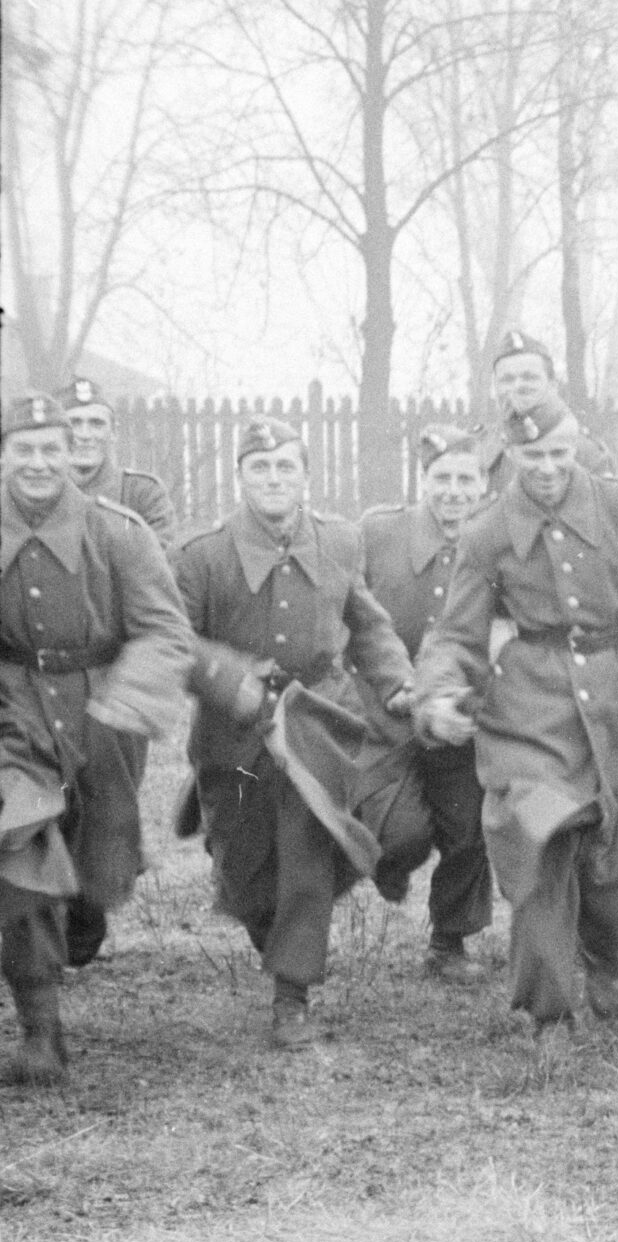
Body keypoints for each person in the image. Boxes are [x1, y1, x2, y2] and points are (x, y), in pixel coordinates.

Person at [412, 399, 618, 1042]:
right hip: (533, 712)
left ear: (576, 448)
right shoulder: (487, 530)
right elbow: (456, 635)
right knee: (538, 850)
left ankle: (602, 952)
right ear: (510, 457)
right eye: (532, 457)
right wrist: (438, 694)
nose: (547, 469)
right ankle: (548, 1010)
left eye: (558, 453)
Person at [173, 418, 415, 1046]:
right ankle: (274, 936)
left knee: (306, 852)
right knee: (244, 872)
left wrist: (396, 680)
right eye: (260, 467)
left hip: (317, 723)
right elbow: (172, 641)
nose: (274, 478)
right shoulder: (201, 555)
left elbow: (367, 624)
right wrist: (230, 680)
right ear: (240, 476)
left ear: (306, 476)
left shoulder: (340, 541)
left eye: (286, 466)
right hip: (234, 734)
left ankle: (292, 996)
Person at [1, 394, 192, 1085]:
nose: (38, 463)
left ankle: (83, 915)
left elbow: (165, 629)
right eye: (23, 449)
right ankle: (41, 1032)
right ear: (3, 456)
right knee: (17, 852)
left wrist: (128, 698)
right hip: (13, 712)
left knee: (94, 871)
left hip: (103, 715)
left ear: (72, 455)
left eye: (50, 449)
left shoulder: (118, 532)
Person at [357, 425, 496, 983]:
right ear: (423, 480)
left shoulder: (497, 539)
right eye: (442, 478)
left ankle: (449, 941)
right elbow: (350, 612)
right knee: (401, 833)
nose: (454, 492)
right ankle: (390, 860)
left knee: (469, 826)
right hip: (386, 713)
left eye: (466, 479)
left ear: (484, 484)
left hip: (461, 711)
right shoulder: (377, 532)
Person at [477, 331, 613, 497]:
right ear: (495, 388)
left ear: (552, 386)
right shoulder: (478, 448)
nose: (518, 386)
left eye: (529, 377)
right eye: (507, 379)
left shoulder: (586, 453)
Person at [56, 379, 178, 545]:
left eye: (96, 424)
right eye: (74, 424)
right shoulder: (40, 492)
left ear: (114, 432)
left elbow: (158, 553)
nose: (85, 435)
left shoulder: (142, 493)